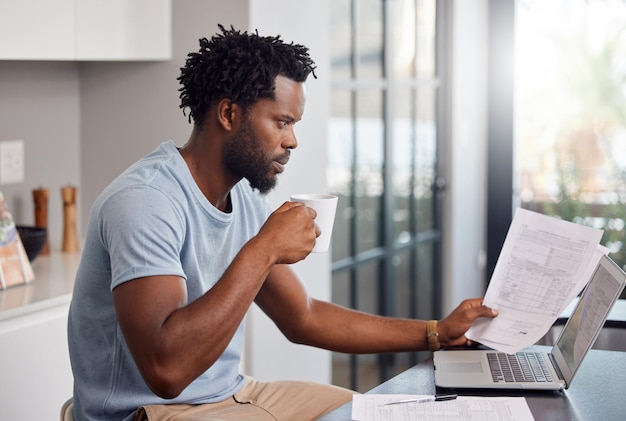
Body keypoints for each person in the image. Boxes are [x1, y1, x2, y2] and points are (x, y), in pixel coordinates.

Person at [67, 25, 498, 421]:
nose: (292, 140)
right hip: (151, 413)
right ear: (228, 114)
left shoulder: (242, 195)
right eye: (282, 122)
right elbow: (167, 370)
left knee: (389, 414)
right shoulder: (146, 201)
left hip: (230, 393)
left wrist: (435, 333)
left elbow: (303, 317)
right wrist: (265, 248)